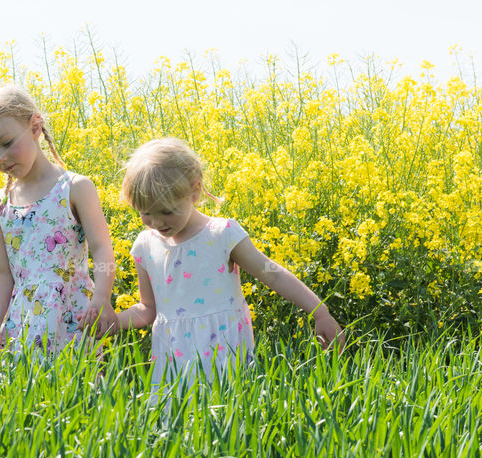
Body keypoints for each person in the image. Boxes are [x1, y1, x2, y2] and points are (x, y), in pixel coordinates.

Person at [114, 138, 344, 407]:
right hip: (172, 355)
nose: (156, 223)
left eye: (167, 211)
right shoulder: (145, 245)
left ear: (195, 190)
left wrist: (320, 312)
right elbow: (148, 308)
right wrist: (112, 323)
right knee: (172, 427)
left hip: (222, 348)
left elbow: (272, 273)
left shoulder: (221, 234)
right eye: (145, 213)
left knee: (226, 422)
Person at [0, 84, 117, 356]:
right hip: (23, 320)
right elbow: (2, 272)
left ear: (35, 127)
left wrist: (102, 299)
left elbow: (101, 249)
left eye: (7, 143)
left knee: (81, 391)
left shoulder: (75, 188)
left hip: (74, 316)